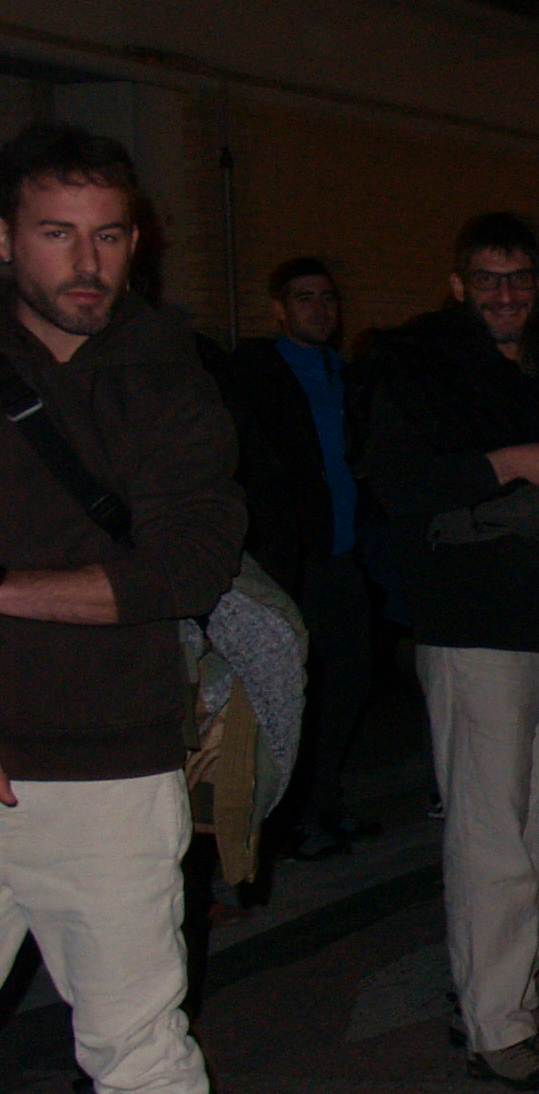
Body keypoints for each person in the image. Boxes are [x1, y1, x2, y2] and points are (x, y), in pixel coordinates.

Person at [0, 122, 246, 1094]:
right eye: (57, 234)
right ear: (5, 239)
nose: (85, 262)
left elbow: (186, 566)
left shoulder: (164, 374)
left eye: (107, 236)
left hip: (106, 765)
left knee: (137, 1049)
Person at [364, 212, 539, 1091]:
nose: (506, 294)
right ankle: (494, 1027)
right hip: (471, 623)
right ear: (458, 284)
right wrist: (511, 462)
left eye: (521, 277)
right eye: (489, 278)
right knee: (491, 835)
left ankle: (514, 990)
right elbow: (397, 485)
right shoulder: (418, 368)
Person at [218, 256, 379, 861]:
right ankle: (287, 821)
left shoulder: (345, 375)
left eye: (328, 297)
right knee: (293, 691)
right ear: (279, 309)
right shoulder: (257, 375)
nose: (320, 308)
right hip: (291, 560)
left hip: (343, 554)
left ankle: (323, 799)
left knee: (349, 680)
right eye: (305, 297)